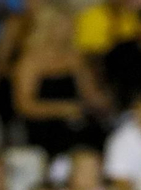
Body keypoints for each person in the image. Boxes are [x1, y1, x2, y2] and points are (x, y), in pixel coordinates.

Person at [12, 2, 109, 160]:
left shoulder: (75, 58)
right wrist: (62, 109)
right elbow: (24, 105)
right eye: (63, 24)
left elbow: (90, 94)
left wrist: (103, 102)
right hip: (43, 126)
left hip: (75, 122)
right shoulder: (30, 61)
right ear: (49, 26)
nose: (69, 29)